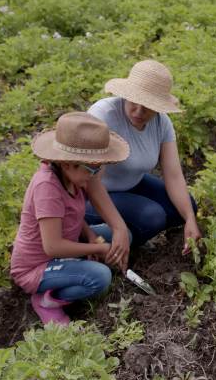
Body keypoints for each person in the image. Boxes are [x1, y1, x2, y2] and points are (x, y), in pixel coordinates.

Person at [10, 112, 130, 325]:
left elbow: (72, 216)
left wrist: (91, 235)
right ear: (67, 164)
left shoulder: (72, 178)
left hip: (69, 243)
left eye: (99, 167)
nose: (96, 175)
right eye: (92, 168)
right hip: (38, 267)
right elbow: (53, 247)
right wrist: (98, 249)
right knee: (100, 277)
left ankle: (75, 264)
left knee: (123, 236)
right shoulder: (47, 187)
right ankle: (47, 300)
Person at [85, 59, 201, 256]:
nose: (139, 111)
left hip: (132, 183)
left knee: (185, 208)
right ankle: (99, 239)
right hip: (94, 194)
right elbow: (89, 181)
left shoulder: (162, 123)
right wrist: (119, 226)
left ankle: (123, 234)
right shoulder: (104, 116)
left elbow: (173, 175)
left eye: (148, 106)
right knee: (152, 216)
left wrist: (190, 218)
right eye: (134, 102)